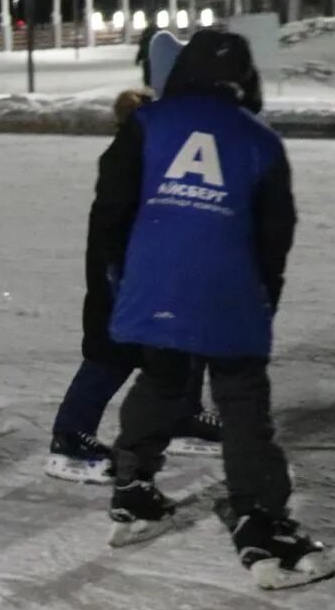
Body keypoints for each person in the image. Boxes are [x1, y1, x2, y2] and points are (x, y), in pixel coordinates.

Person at [91, 28, 332, 589]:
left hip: (155, 283)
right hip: (229, 289)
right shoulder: (260, 141)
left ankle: (133, 487)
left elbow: (110, 208)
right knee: (242, 401)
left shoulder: (146, 124)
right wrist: (262, 298)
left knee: (161, 378)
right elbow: (276, 235)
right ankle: (260, 519)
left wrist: (125, 276)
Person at [43, 86, 217, 484]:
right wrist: (120, 276)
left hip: (149, 271)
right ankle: (69, 438)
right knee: (111, 354)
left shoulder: (150, 155)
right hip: (122, 277)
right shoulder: (126, 158)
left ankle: (182, 416)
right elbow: (113, 223)